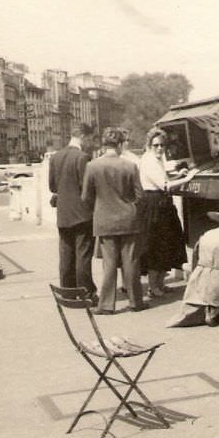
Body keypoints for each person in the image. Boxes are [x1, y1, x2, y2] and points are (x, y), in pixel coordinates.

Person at [82, 128, 146, 314]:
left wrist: (100, 208)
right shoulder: (130, 166)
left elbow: (86, 197)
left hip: (105, 221)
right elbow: (140, 196)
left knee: (109, 265)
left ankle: (107, 305)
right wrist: (130, 207)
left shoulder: (92, 166)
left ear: (103, 145)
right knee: (131, 263)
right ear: (119, 145)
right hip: (129, 220)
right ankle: (136, 303)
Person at [138, 127, 197, 297]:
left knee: (166, 244)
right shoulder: (149, 161)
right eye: (156, 145)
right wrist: (187, 178)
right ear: (149, 145)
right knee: (156, 246)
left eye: (162, 145)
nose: (159, 148)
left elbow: (165, 180)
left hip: (162, 205)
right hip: (154, 205)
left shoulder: (156, 160)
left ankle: (160, 283)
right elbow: (164, 186)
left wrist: (179, 175)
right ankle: (153, 286)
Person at [49, 123, 97, 299]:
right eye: (90, 139)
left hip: (63, 214)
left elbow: (52, 186)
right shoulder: (82, 157)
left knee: (66, 255)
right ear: (83, 137)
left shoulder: (55, 157)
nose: (91, 143)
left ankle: (68, 292)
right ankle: (86, 292)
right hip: (82, 215)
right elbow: (87, 188)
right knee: (83, 255)